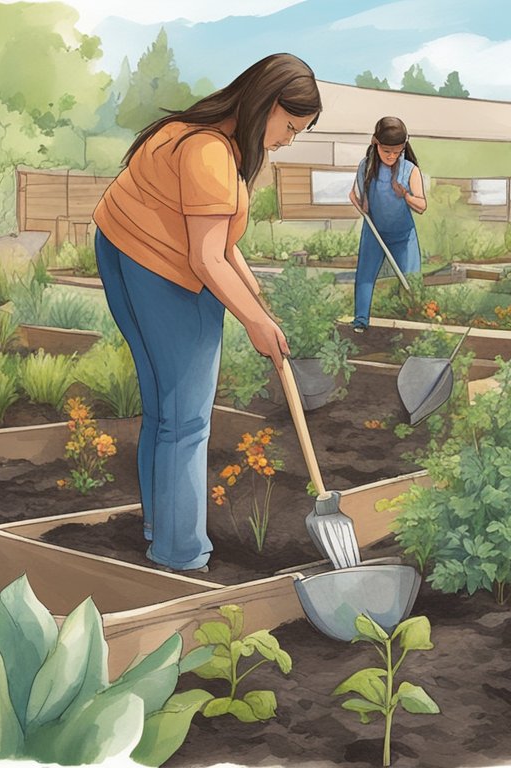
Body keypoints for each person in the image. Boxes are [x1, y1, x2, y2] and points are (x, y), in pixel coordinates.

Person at [92, 54, 319, 572]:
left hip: (124, 249)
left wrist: (252, 290)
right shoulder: (211, 154)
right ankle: (181, 552)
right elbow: (204, 256)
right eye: (289, 126)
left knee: (164, 406)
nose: (287, 139)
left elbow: (216, 237)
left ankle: (161, 528)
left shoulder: (189, 131)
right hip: (164, 272)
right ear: (267, 104)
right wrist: (256, 322)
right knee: (187, 419)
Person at [347, 116, 426, 332]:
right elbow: (363, 202)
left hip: (403, 235)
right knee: (365, 276)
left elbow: (421, 206)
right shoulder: (366, 167)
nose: (392, 156)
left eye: (397, 152)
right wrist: (359, 202)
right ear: (375, 143)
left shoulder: (410, 170)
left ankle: (416, 325)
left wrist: (406, 196)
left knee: (412, 283)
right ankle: (361, 321)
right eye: (386, 151)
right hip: (374, 232)